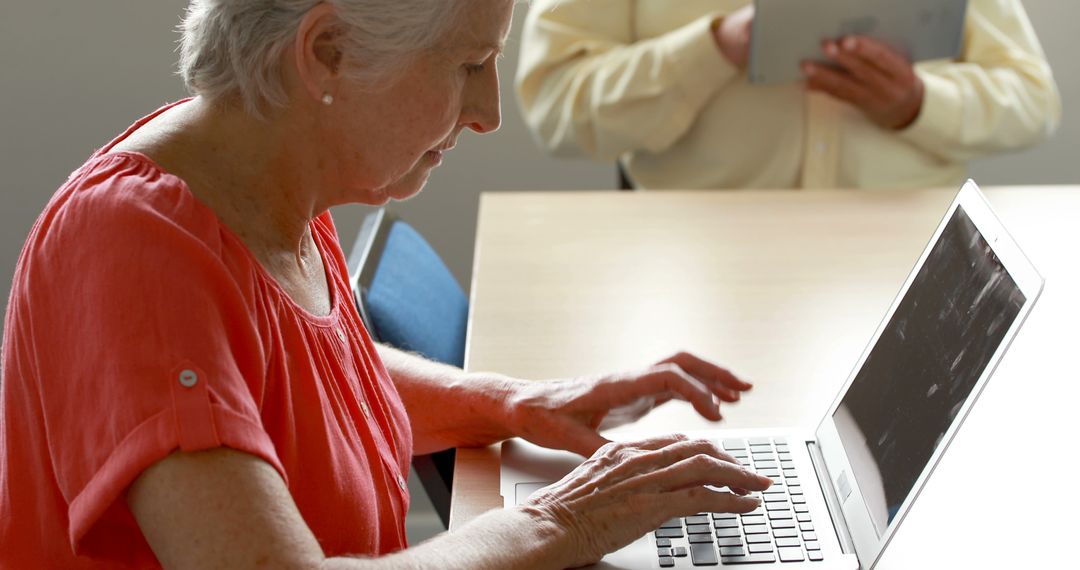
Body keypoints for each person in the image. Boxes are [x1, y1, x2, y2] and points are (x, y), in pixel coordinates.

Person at [0, 1, 774, 568]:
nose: (489, 113)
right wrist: (560, 520)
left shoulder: (264, 167)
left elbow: (293, 385)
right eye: (469, 65)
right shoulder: (135, 251)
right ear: (328, 50)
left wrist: (512, 402)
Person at [516, 0, 1062, 189]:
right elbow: (554, 106)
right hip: (700, 257)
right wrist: (712, 50)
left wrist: (918, 104)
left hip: (910, 263)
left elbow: (1034, 99)